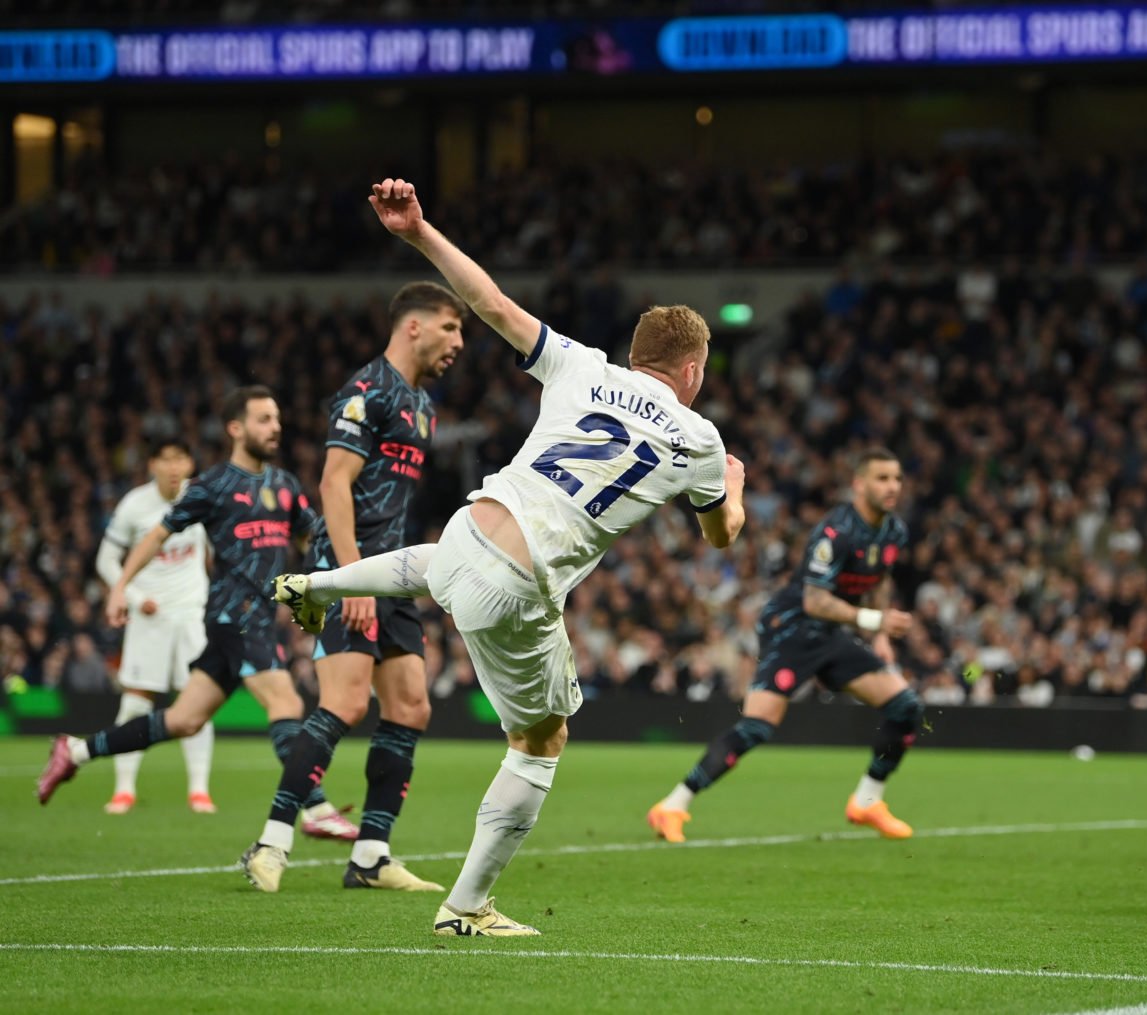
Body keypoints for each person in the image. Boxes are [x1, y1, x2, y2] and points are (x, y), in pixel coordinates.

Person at [265, 177, 746, 937]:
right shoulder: (701, 440)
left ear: (635, 355)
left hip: (471, 527)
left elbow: (490, 304)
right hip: (518, 584)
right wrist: (736, 488)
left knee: (436, 564)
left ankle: (317, 581)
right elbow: (722, 537)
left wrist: (419, 233)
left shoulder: (584, 366)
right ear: (692, 369)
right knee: (540, 740)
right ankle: (465, 907)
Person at [37, 387, 346, 841]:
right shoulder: (212, 485)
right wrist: (121, 585)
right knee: (286, 702)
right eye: (263, 419)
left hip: (258, 613)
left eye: (277, 418)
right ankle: (316, 808)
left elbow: (313, 536)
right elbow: (157, 536)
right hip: (232, 615)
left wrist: (332, 576)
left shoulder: (284, 485)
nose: (275, 427)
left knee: (183, 720)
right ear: (235, 428)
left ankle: (75, 751)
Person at [242, 282, 465, 894]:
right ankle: (271, 843)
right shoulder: (366, 392)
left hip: (390, 572)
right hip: (350, 568)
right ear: (414, 326)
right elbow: (333, 484)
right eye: (451, 328)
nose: (459, 343)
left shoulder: (423, 404)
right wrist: (348, 579)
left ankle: (370, 856)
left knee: (411, 704)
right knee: (344, 703)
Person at [648, 448, 921, 843]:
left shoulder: (893, 531)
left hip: (831, 634)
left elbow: (879, 582)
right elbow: (814, 600)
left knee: (906, 708)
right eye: (882, 478)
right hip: (792, 628)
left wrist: (879, 637)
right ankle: (672, 806)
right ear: (859, 485)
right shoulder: (836, 531)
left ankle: (867, 801)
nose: (893, 486)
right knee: (757, 727)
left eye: (897, 478)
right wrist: (873, 622)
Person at [93, 438, 215, 814]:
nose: (175, 467)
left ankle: (199, 790)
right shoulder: (135, 504)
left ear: (190, 464)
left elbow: (215, 550)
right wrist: (131, 597)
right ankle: (124, 789)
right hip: (150, 617)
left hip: (192, 614)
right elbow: (106, 560)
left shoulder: (202, 497)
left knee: (198, 703)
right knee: (135, 702)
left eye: (182, 459)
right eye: (167, 460)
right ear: (153, 465)